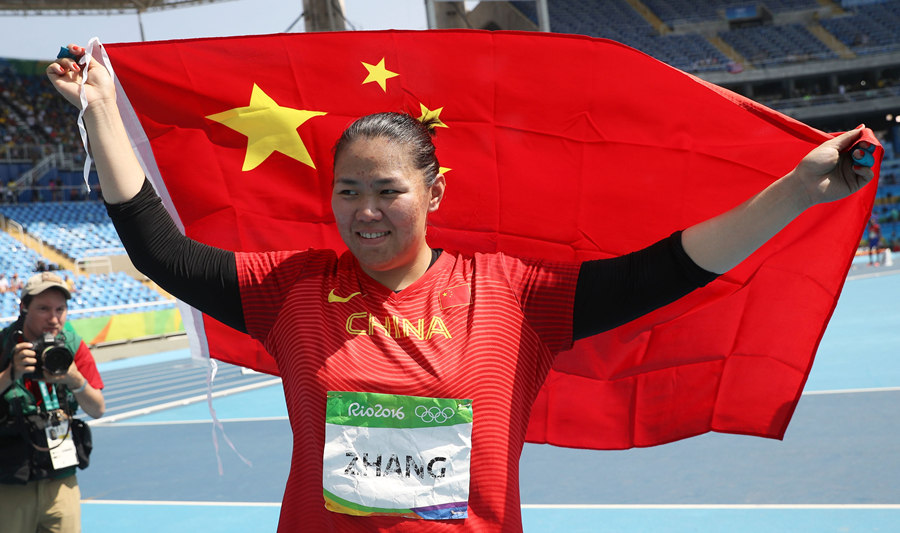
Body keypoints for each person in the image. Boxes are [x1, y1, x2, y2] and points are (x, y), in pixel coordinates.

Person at [47, 45, 875, 532]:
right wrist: (100, 110)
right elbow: (162, 250)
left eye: (388, 191)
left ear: (434, 194)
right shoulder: (291, 290)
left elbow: (671, 266)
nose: (366, 211)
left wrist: (797, 189)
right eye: (348, 192)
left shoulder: (518, 296)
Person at [0, 272, 105, 532]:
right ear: (24, 307)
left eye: (61, 309)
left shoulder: (72, 345)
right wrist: (10, 373)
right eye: (43, 309)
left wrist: (74, 379)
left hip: (61, 480)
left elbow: (98, 409)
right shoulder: (4, 345)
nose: (54, 318)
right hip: (10, 482)